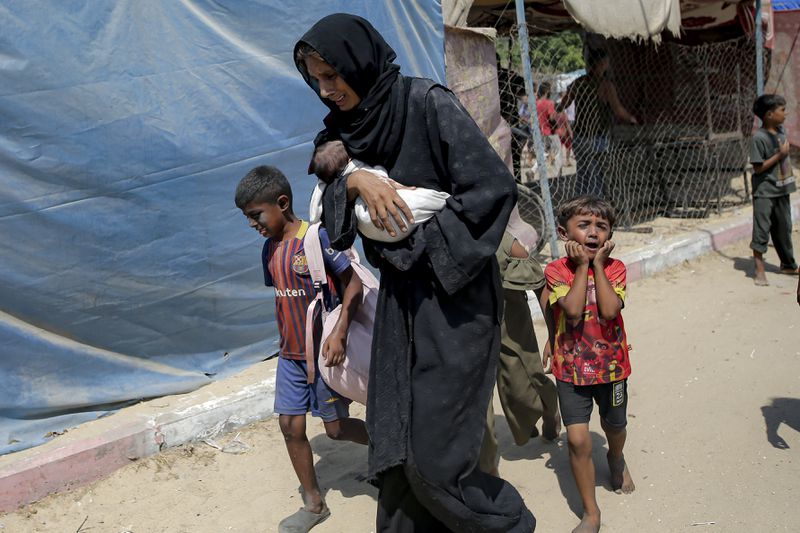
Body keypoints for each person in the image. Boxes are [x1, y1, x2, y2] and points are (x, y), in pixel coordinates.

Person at [294, 13, 536, 532]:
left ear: (359, 62)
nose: (326, 90)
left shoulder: (426, 104)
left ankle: (511, 525)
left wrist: (412, 237)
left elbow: (491, 191)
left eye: (333, 75)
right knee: (395, 440)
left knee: (437, 457)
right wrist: (357, 181)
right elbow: (326, 181)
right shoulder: (345, 131)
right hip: (401, 299)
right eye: (316, 79)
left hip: (457, 297)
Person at [234, 165, 369, 532]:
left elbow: (352, 283)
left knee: (336, 430)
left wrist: (339, 332)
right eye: (247, 218)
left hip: (323, 357)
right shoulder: (269, 250)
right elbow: (285, 299)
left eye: (255, 215)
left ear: (282, 202)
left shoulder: (316, 238)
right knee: (290, 427)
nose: (252, 224)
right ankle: (314, 504)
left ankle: (389, 452)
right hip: (290, 357)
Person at [541, 196, 635, 533]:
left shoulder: (616, 268)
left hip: (612, 369)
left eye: (601, 226)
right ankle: (591, 512)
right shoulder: (555, 270)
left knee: (615, 427)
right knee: (579, 440)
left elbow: (610, 311)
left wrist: (596, 266)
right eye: (584, 225)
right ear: (565, 235)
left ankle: (615, 456)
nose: (593, 232)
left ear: (609, 236)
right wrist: (582, 267)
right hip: (571, 369)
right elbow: (572, 311)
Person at [479, 215, 561, 477]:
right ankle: (488, 470)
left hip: (510, 330)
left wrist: (554, 334)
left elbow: (540, 286)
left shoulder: (503, 244)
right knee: (478, 407)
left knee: (526, 385)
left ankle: (550, 411)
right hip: (469, 338)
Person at [308, 139, 449, 243]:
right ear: (350, 157)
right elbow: (380, 176)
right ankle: (443, 199)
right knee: (428, 200)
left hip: (375, 230)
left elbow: (318, 206)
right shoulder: (359, 167)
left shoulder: (326, 186)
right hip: (396, 216)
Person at [558, 49, 637, 197]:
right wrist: (632, 118)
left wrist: (559, 107)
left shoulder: (578, 83)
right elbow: (618, 110)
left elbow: (563, 104)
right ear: (602, 64)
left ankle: (581, 201)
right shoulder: (605, 85)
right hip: (596, 137)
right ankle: (595, 205)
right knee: (596, 175)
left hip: (580, 136)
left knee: (582, 173)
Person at [749, 94, 797, 286]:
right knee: (761, 230)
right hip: (765, 191)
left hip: (782, 189)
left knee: (784, 229)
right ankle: (759, 269)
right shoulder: (759, 138)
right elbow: (758, 168)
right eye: (782, 110)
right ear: (769, 114)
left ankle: (788, 264)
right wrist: (780, 155)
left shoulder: (780, 131)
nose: (785, 114)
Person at [536, 82, 562, 173]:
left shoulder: (536, 103)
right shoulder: (549, 103)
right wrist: (555, 115)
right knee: (557, 151)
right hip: (549, 131)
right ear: (547, 91)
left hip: (540, 131)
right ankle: (557, 172)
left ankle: (534, 170)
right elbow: (551, 117)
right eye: (550, 90)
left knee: (546, 152)